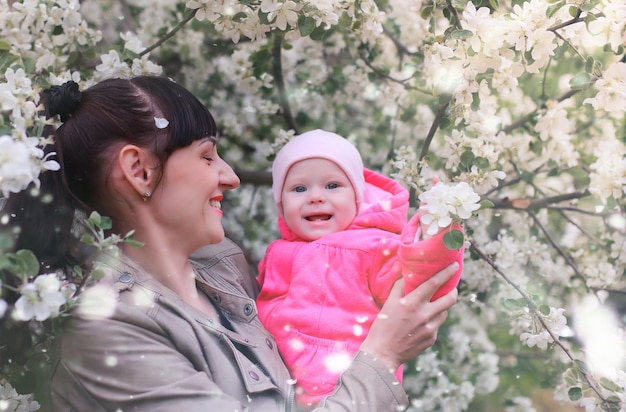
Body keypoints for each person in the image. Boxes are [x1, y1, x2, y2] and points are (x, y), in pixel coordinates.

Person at [2, 76, 459, 411]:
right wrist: (383, 356)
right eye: (207, 155)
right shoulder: (107, 333)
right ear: (140, 171)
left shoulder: (228, 270)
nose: (232, 177)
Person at [256, 129, 464, 409]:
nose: (315, 197)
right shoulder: (276, 254)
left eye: (332, 186)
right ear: (281, 205)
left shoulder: (372, 246)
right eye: (299, 188)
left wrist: (438, 233)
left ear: (357, 197)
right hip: (279, 389)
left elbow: (421, 283)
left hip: (349, 388)